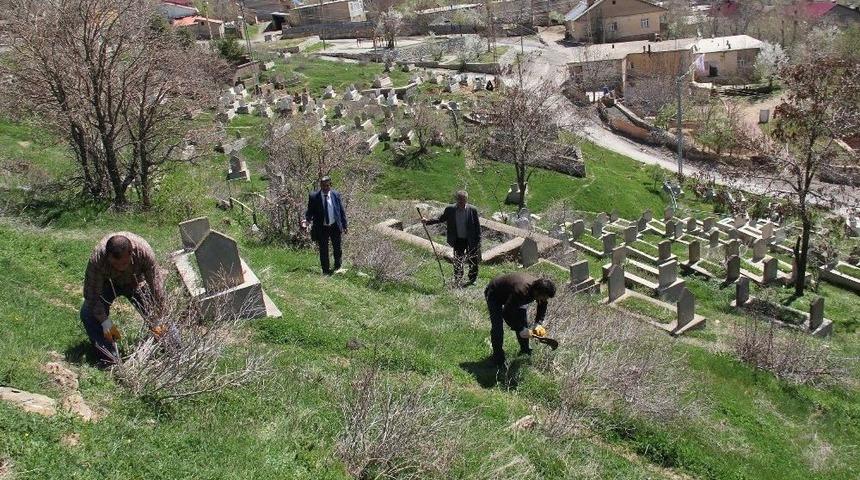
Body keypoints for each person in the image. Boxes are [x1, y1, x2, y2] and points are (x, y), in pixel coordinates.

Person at [80, 232, 165, 365]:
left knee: (159, 318)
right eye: (115, 264)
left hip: (136, 281)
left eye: (124, 263)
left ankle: (171, 349)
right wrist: (107, 324)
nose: (121, 268)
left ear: (132, 254)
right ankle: (110, 359)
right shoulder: (97, 259)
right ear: (108, 257)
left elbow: (157, 289)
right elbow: (92, 297)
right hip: (108, 283)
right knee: (88, 313)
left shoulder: (144, 252)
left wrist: (157, 318)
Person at [484, 273, 556, 366]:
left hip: (512, 295)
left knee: (522, 321)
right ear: (537, 292)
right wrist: (520, 329)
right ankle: (498, 358)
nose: (545, 299)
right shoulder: (521, 291)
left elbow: (542, 305)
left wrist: (538, 323)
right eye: (544, 297)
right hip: (494, 293)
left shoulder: (540, 288)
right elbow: (506, 313)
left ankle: (525, 350)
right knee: (497, 327)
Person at [422, 190, 481, 286]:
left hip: (471, 239)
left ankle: (472, 279)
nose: (462, 203)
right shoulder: (450, 209)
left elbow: (477, 227)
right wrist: (427, 221)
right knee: (458, 259)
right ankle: (458, 278)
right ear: (456, 200)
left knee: (473, 260)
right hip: (458, 239)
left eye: (464, 200)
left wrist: (478, 241)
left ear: (467, 200)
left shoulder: (472, 210)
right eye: (460, 200)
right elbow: (440, 219)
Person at [303, 176, 348, 275]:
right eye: (323, 185)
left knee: (337, 248)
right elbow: (310, 211)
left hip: (335, 226)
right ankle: (326, 271)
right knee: (323, 250)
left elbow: (341, 211)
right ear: (320, 185)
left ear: (330, 185)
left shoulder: (336, 195)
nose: (325, 188)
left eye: (327, 185)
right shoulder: (314, 196)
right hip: (321, 227)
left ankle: (338, 267)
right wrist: (307, 220)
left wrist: (344, 225)